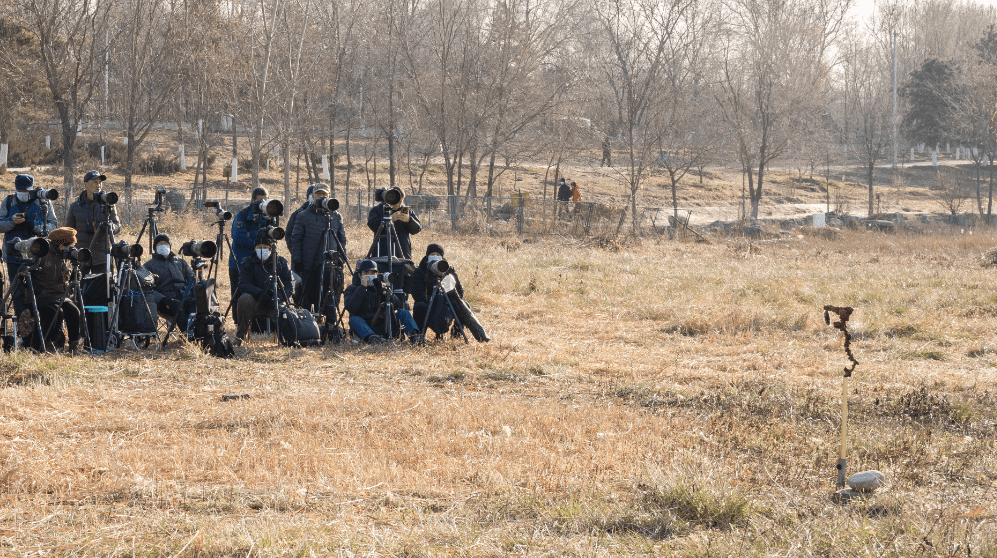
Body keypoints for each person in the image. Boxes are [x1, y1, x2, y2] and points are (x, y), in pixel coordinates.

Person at [0, 174, 59, 315]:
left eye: (26, 191)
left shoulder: (43, 202)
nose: (24, 194)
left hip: (38, 255)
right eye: (20, 191)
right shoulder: (8, 201)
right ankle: (23, 330)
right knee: (18, 293)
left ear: (32, 188)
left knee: (37, 292)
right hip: (13, 255)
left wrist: (32, 224)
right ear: (15, 188)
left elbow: (53, 225)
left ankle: (38, 328)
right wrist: (12, 221)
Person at [407, 243, 490, 342]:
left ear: (442, 256)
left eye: (438, 254)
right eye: (432, 254)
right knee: (419, 306)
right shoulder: (420, 271)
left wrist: (447, 297)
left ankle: (457, 334)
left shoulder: (448, 270)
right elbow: (417, 293)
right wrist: (433, 297)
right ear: (427, 255)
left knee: (464, 304)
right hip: (428, 303)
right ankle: (420, 335)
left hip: (446, 302)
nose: (435, 256)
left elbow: (460, 292)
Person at [291, 183, 346, 312]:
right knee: (307, 295)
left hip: (328, 265)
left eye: (324, 194)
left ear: (329, 196)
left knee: (329, 294)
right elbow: (295, 239)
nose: (321, 197)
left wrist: (341, 258)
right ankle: (308, 323)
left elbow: (341, 240)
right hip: (308, 264)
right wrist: (297, 261)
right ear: (313, 196)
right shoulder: (303, 215)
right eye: (318, 194)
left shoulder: (336, 216)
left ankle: (329, 324)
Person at [26, 227, 82, 353]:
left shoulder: (66, 254)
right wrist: (37, 291)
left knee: (74, 311)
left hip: (60, 295)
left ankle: (74, 345)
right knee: (57, 312)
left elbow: (68, 276)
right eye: (68, 245)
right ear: (60, 243)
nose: (70, 248)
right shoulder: (43, 251)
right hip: (43, 295)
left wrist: (76, 274)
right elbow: (27, 273)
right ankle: (49, 343)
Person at [344, 259, 421, 344]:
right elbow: (351, 308)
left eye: (373, 273)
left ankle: (415, 337)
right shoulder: (352, 289)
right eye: (366, 273)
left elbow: (397, 305)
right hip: (366, 326)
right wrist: (362, 287)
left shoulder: (381, 287)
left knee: (403, 312)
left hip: (384, 324)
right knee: (354, 319)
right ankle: (372, 338)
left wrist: (385, 291)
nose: (370, 276)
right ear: (359, 275)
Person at [235, 235, 294, 342]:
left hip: (276, 303)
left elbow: (289, 284)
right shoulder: (248, 262)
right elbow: (243, 284)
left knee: (285, 308)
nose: (262, 250)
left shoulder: (281, 263)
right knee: (244, 299)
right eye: (259, 247)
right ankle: (240, 336)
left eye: (265, 247)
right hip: (255, 301)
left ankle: (286, 338)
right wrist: (260, 294)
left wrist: (279, 298)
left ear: (271, 249)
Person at [66, 170, 121, 275]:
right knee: (80, 289)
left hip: (102, 256)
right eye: (95, 182)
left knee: (102, 289)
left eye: (100, 182)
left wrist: (111, 228)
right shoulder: (75, 206)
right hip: (81, 255)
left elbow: (118, 226)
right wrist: (71, 254)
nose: (98, 185)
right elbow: (68, 231)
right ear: (86, 184)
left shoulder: (108, 204)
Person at [143, 234, 195, 332]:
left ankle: (193, 330)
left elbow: (192, 279)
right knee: (176, 305)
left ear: (170, 246)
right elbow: (147, 289)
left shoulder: (180, 262)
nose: (163, 246)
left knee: (194, 303)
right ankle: (186, 333)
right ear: (155, 248)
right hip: (166, 300)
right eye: (160, 244)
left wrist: (194, 293)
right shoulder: (148, 265)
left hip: (185, 295)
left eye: (165, 243)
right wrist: (162, 299)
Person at [228, 187, 271, 301]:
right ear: (252, 200)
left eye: (265, 200)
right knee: (238, 296)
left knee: (259, 294)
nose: (262, 203)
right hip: (239, 263)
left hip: (260, 263)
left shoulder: (269, 216)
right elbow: (238, 237)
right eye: (260, 200)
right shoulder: (243, 214)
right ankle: (238, 319)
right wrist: (258, 243)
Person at [367, 187, 421, 259]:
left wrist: (409, 220)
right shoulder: (377, 210)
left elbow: (417, 229)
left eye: (400, 201)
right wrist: (390, 219)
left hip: (402, 253)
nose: (397, 204)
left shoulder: (405, 211)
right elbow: (372, 225)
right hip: (382, 252)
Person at [284, 184, 315, 255]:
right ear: (307, 196)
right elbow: (288, 235)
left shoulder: (327, 215)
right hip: (302, 256)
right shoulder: (297, 214)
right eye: (311, 194)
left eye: (315, 194)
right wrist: (295, 253)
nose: (313, 197)